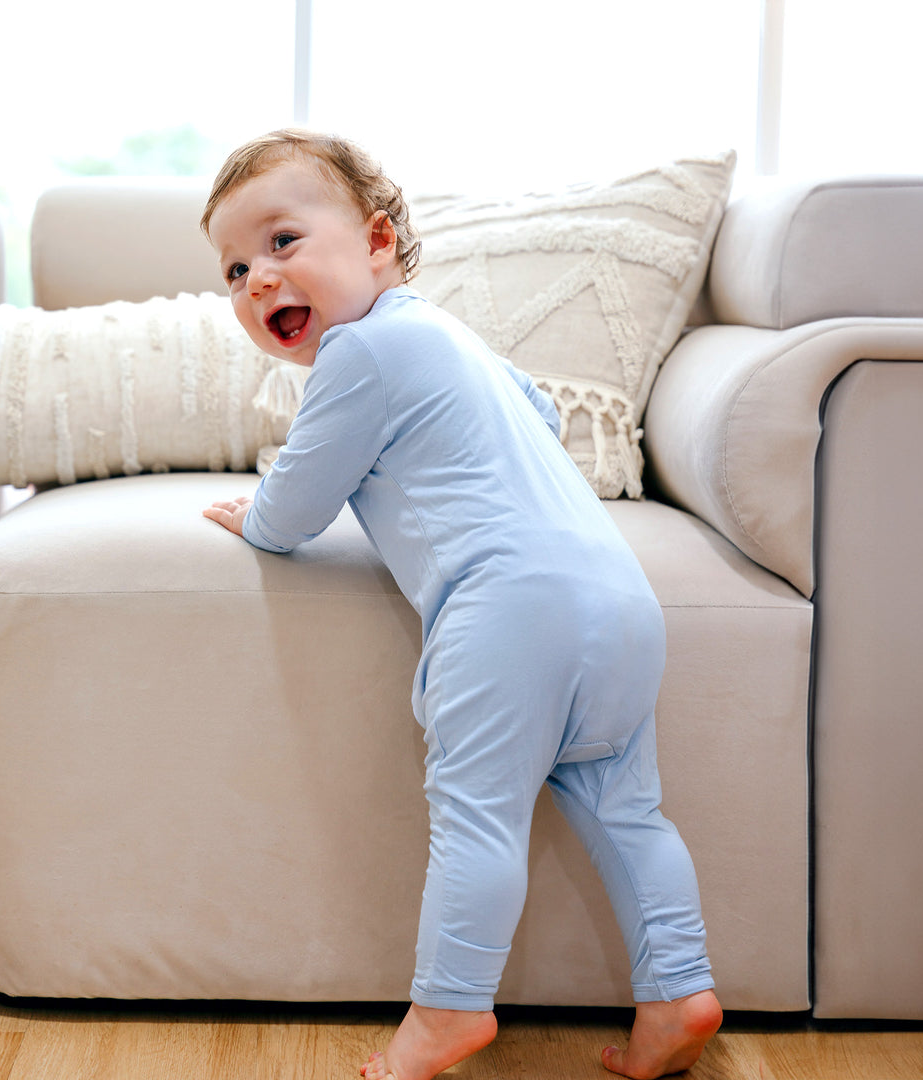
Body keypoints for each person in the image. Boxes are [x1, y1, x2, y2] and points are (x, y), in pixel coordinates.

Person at [200, 129, 722, 1080]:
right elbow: (545, 416)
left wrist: (255, 516)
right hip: (617, 599)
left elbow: (296, 510)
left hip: (507, 611)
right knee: (630, 811)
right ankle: (679, 991)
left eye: (281, 243)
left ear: (377, 240)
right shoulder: (447, 334)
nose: (257, 281)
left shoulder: (356, 356)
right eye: (234, 270)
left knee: (476, 814)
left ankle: (447, 1011)